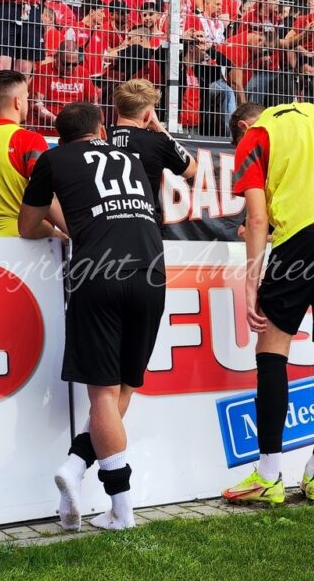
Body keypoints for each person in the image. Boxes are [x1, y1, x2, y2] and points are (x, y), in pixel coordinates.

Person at [21, 102, 165, 532]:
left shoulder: (53, 158)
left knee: (103, 395)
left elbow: (27, 225)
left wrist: (63, 230)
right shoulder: (132, 158)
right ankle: (78, 465)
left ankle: (120, 509)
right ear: (101, 129)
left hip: (98, 272)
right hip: (151, 271)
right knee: (127, 384)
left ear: (60, 136)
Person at [224, 100, 314, 507]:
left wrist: (251, 282)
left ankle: (269, 475)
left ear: (243, 124)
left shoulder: (256, 134)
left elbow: (256, 218)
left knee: (271, 343)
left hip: (303, 236)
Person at [0, 69, 50, 237]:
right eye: (27, 97)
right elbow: (47, 194)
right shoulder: (29, 140)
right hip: (18, 243)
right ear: (18, 102)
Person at [108, 78, 195, 216]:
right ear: (148, 114)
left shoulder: (100, 137)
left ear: (117, 109)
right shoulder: (158, 141)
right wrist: (159, 127)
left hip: (106, 221)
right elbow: (191, 169)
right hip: (146, 223)